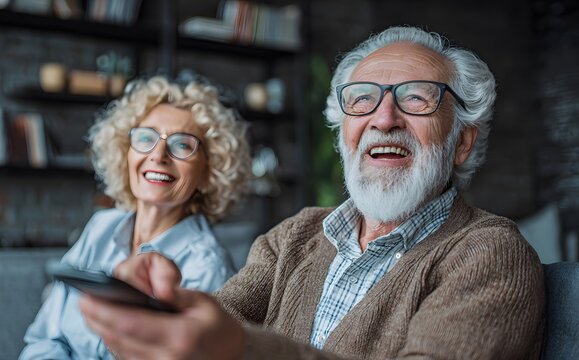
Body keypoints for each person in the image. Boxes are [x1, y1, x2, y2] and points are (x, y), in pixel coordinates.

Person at [79, 26, 546, 359]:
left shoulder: (490, 253)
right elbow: (212, 325)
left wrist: (237, 348)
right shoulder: (295, 236)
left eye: (416, 97)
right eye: (363, 99)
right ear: (344, 130)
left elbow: (229, 344)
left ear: (461, 142)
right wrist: (160, 310)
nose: (384, 118)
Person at [19, 76, 251, 359]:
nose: (158, 155)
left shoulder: (208, 267)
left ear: (208, 172)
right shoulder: (101, 227)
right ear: (125, 153)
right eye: (145, 138)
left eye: (181, 145)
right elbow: (45, 337)